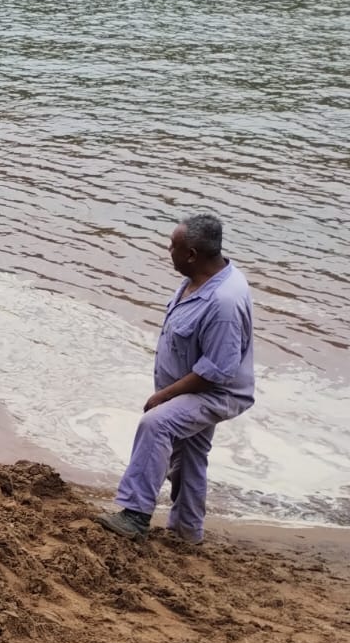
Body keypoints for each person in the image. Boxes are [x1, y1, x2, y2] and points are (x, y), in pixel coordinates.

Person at [97, 213, 254, 542]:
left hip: (215, 392)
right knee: (189, 456)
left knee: (156, 424)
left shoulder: (223, 302)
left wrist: (165, 396)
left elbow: (219, 371)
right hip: (191, 385)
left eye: (173, 246)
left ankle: (136, 514)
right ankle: (187, 533)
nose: (168, 250)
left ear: (192, 254)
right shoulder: (197, 278)